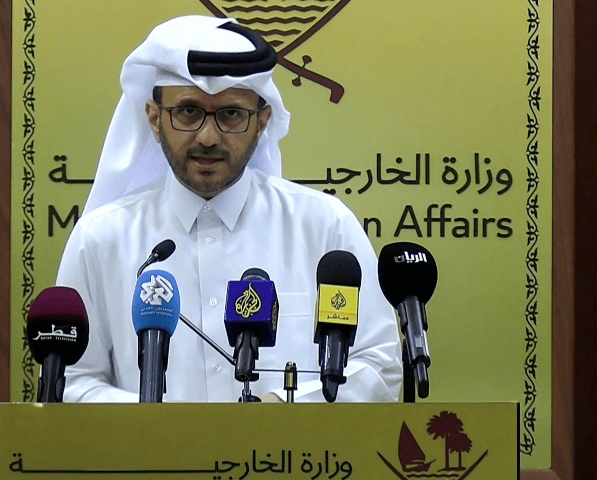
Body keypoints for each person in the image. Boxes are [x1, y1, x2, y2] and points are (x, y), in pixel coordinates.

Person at [56, 15, 402, 402]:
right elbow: (70, 380)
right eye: (188, 112)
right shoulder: (101, 239)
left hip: (291, 459)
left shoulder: (324, 227)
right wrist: (165, 426)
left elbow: (380, 364)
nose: (208, 136)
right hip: (152, 460)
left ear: (262, 120)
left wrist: (282, 412)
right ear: (154, 118)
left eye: (231, 115)